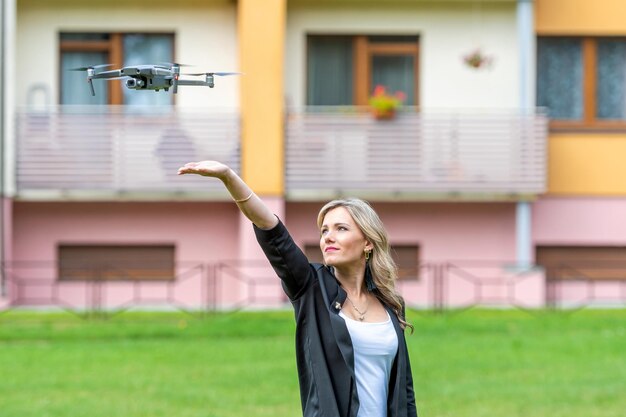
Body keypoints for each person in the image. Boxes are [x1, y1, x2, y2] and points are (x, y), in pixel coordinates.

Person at [178, 160, 417, 417]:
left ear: (368, 242)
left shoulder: (391, 303)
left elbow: (405, 390)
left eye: (341, 229)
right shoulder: (311, 287)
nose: (328, 237)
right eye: (324, 230)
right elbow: (273, 232)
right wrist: (229, 177)